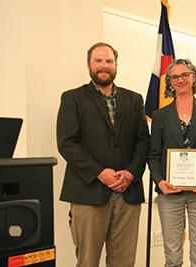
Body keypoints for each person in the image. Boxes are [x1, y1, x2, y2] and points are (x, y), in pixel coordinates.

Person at [56, 42, 149, 267]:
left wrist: (130, 173)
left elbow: (143, 141)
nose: (103, 66)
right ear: (89, 64)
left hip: (128, 191)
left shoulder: (134, 99)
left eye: (109, 61)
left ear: (116, 65)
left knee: (124, 261)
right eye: (98, 61)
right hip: (88, 192)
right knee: (87, 261)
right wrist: (100, 173)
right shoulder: (72, 98)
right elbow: (67, 143)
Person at [148, 58, 196, 267]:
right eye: (175, 77)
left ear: (194, 77)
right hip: (169, 193)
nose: (180, 79)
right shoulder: (160, 116)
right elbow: (153, 155)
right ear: (170, 82)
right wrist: (160, 181)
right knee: (172, 255)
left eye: (185, 75)